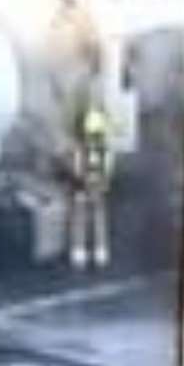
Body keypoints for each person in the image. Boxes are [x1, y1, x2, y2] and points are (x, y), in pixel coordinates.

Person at [69, 105, 114, 270]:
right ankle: (96, 252)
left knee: (85, 217)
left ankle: (83, 252)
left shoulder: (83, 148)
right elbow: (108, 168)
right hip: (93, 185)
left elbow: (77, 167)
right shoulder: (102, 148)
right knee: (95, 216)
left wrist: (83, 182)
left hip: (85, 185)